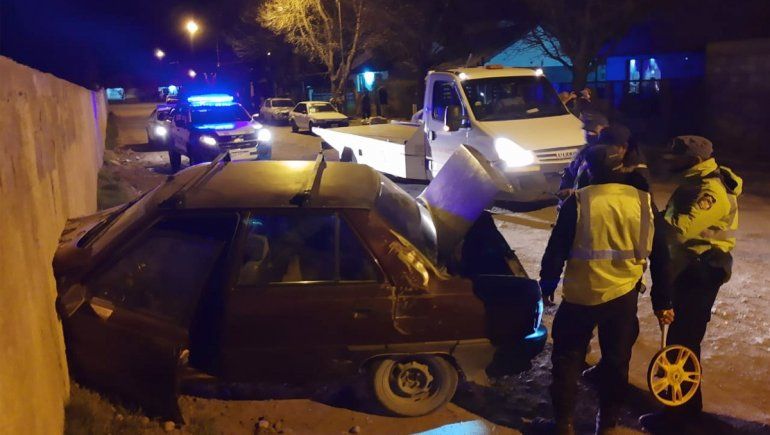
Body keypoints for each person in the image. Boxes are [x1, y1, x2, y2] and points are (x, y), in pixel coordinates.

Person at [539, 126, 669, 435]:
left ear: (590, 169)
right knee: (616, 364)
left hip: (581, 295)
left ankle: (564, 425)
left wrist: (546, 287)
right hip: (623, 297)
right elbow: (662, 256)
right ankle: (607, 426)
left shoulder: (580, 201)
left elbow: (556, 249)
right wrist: (663, 302)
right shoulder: (644, 202)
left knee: (568, 361)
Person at [639, 136, 742, 432]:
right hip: (693, 266)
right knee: (682, 338)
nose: (670, 162)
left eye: (677, 158)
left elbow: (677, 230)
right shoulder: (697, 180)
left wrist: (645, 213)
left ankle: (679, 415)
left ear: (694, 160)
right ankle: (686, 407)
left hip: (701, 271)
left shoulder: (709, 190)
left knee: (684, 340)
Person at [556, 111, 609, 202]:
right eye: (586, 131)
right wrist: (565, 190)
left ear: (605, 129)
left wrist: (577, 192)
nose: (588, 134)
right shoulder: (583, 151)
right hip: (579, 204)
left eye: (592, 131)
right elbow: (570, 172)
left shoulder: (610, 153)